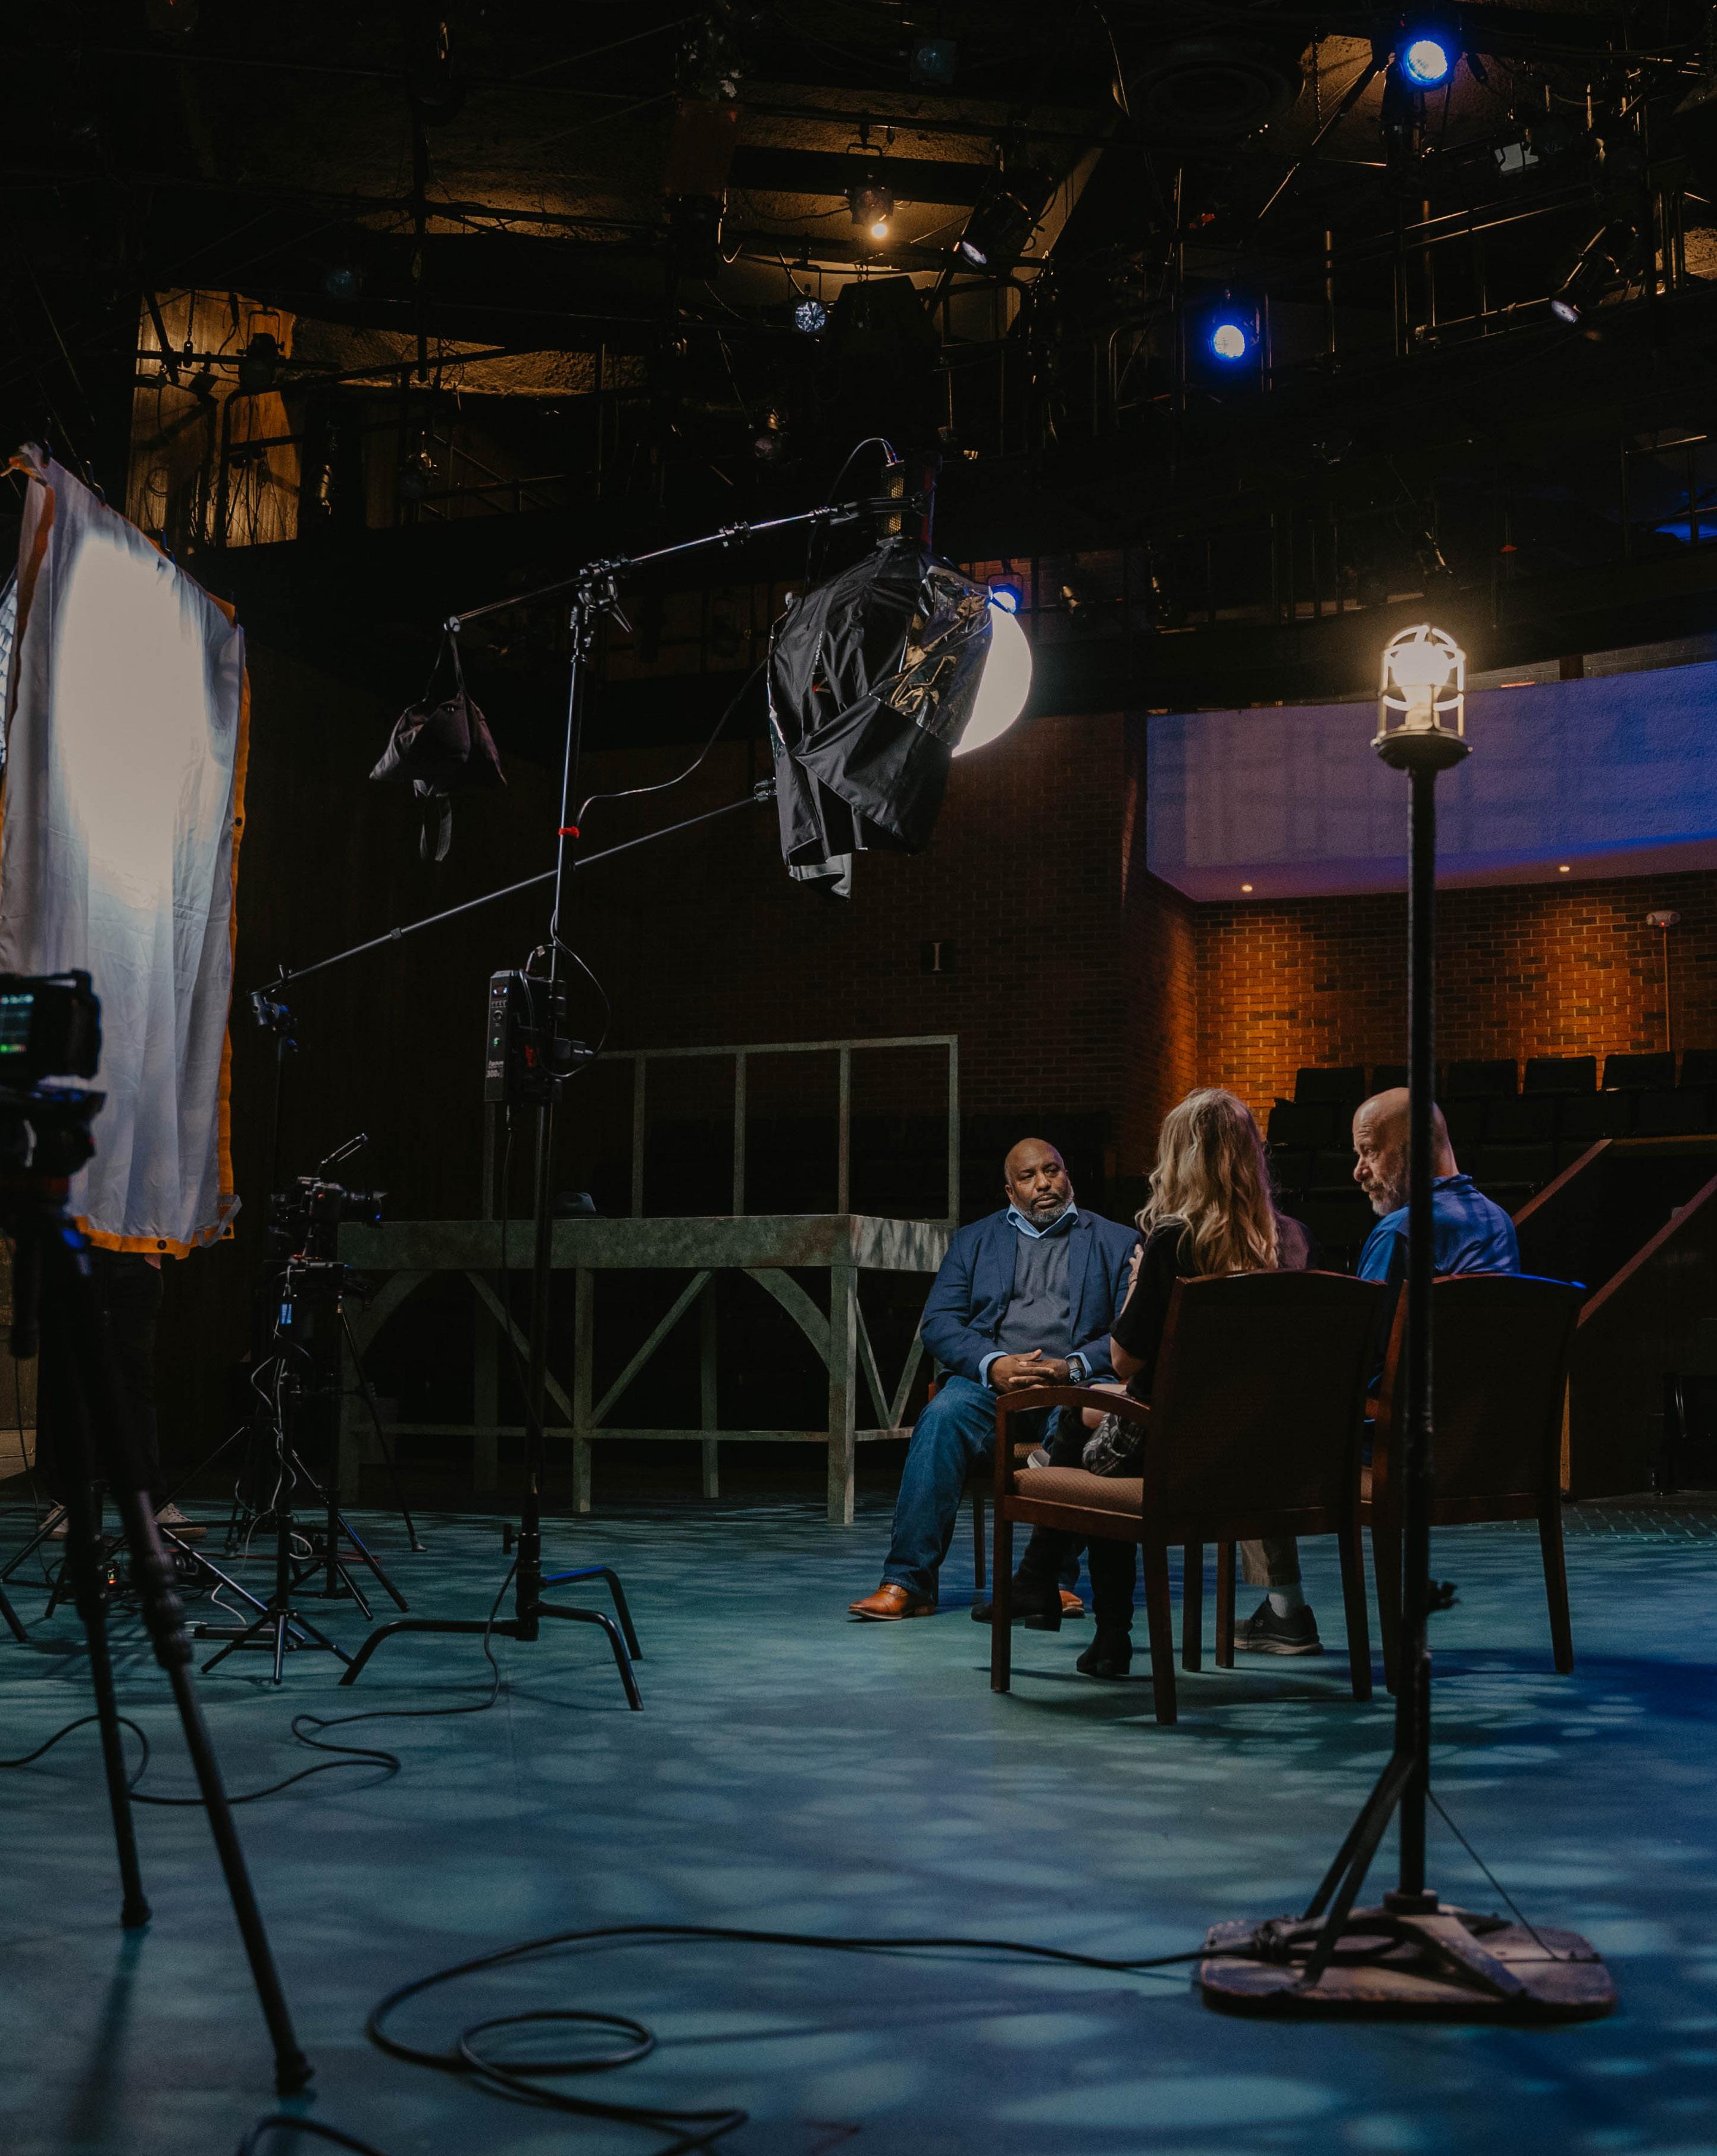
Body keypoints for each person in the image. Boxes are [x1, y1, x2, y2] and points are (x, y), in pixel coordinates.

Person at [1003, 1088, 1318, 1677]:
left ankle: (1088, 1616)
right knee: (1090, 1417)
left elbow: (1123, 1360)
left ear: (1182, 1158)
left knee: (1088, 1444)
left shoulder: (1175, 1238)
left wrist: (1135, 1284)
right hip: (1264, 1448)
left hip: (1180, 1448)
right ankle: (1045, 1586)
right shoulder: (1295, 1238)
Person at [847, 1138, 1139, 1620]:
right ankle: (907, 1583)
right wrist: (993, 1363)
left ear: (1068, 1176)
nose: (1043, 1183)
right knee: (941, 1416)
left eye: (1052, 1170)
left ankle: (1051, 1581)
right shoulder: (973, 1241)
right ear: (1009, 1190)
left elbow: (1128, 1332)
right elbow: (938, 1322)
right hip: (990, 1387)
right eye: (1028, 1176)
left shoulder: (1116, 1240)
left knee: (1078, 1426)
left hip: (1071, 1384)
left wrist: (1071, 1366)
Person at [1350, 1087, 1521, 1287]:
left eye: (1370, 1151)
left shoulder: (1401, 1229)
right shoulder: (1499, 1219)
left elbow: (1367, 1308)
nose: (1358, 1172)